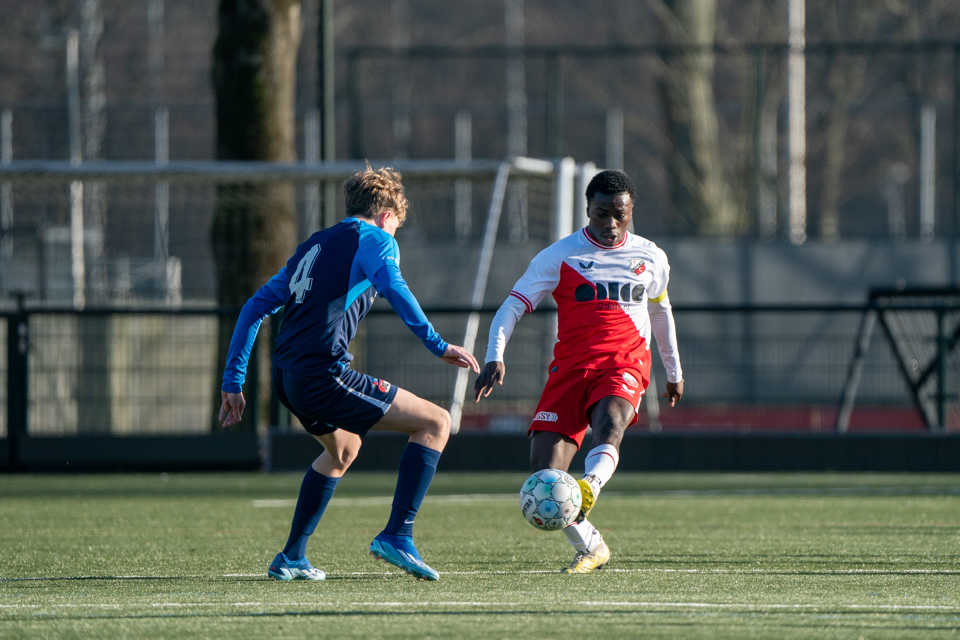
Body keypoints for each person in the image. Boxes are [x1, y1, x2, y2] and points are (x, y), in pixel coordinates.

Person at [220, 164, 480, 582]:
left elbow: (254, 307)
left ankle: (291, 557)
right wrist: (438, 344)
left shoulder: (313, 244)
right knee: (436, 422)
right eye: (396, 226)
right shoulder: (376, 238)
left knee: (342, 450)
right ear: (387, 216)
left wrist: (233, 381)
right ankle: (398, 535)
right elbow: (395, 287)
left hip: (289, 378)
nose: (394, 236)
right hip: (323, 375)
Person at [474, 170, 683, 574]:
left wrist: (673, 369)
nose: (609, 224)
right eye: (601, 213)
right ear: (587, 209)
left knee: (611, 422)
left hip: (624, 361)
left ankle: (590, 486)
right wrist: (494, 354)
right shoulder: (559, 256)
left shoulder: (651, 256)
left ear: (630, 211)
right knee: (546, 474)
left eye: (618, 215)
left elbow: (660, 311)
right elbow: (512, 305)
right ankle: (592, 546)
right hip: (570, 368)